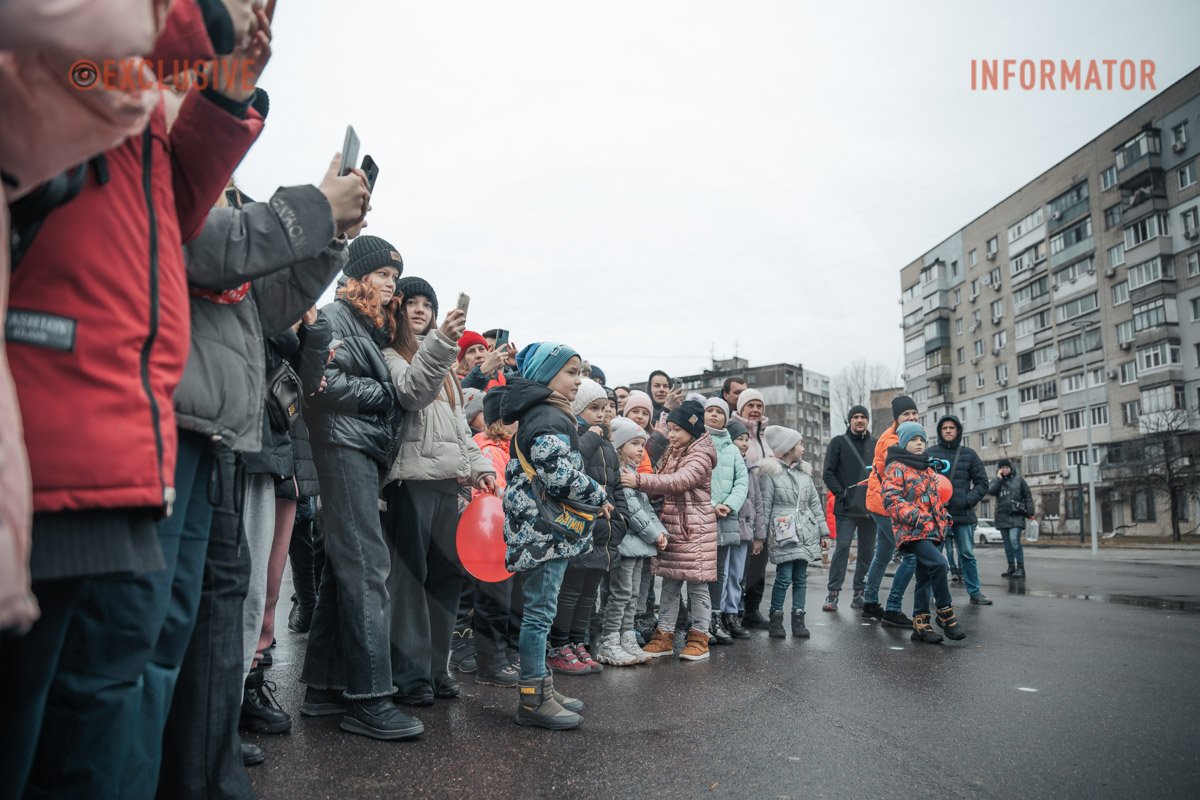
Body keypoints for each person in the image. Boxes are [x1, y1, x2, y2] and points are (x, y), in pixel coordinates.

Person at [11, 9, 270, 795]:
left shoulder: (138, 80)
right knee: (48, 702)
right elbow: (83, 76)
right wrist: (201, 30)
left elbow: (175, 211)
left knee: (103, 683)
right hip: (54, 403)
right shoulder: (95, 58)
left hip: (119, 416)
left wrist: (226, 95)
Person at [301, 236, 419, 741]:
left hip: (359, 450)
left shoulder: (370, 324)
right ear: (357, 276)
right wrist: (386, 393)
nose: (390, 283)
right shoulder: (334, 317)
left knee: (343, 566)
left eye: (395, 275)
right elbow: (322, 384)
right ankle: (370, 699)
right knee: (369, 566)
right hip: (341, 448)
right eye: (382, 274)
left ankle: (324, 688)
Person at [383, 276, 493, 707]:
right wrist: (442, 345)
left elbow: (461, 433)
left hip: (448, 485)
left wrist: (481, 468)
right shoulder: (391, 355)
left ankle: (436, 667)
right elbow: (411, 392)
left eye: (427, 303)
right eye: (411, 302)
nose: (420, 310)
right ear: (398, 309)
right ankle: (410, 676)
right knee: (410, 584)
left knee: (446, 580)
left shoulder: (444, 367)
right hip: (409, 484)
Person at [501, 342, 610, 730]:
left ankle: (543, 686)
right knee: (539, 615)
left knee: (541, 614)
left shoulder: (546, 412)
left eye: (580, 373)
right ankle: (532, 699)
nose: (579, 381)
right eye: (571, 372)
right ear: (547, 375)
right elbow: (557, 474)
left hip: (542, 532)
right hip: (544, 533)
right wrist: (598, 494)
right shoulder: (548, 416)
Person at [621, 400, 718, 662]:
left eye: (677, 429)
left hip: (694, 528)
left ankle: (699, 637)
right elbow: (661, 476)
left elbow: (679, 481)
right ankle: (664, 635)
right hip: (674, 525)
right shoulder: (676, 450)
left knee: (697, 586)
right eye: (670, 429)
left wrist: (638, 480)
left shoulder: (700, 455)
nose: (671, 435)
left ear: (692, 429)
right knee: (670, 584)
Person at [550, 380, 628, 670]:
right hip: (581, 526)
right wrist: (592, 436)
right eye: (593, 408)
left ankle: (578, 642)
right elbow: (571, 467)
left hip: (605, 532)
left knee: (589, 594)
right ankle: (559, 645)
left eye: (605, 408)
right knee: (570, 591)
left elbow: (616, 487)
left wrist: (622, 518)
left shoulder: (607, 445)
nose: (601, 414)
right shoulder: (572, 436)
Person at [881, 422, 966, 644]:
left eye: (922, 440)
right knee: (939, 565)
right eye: (913, 440)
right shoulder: (896, 467)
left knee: (925, 577)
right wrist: (916, 516)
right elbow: (890, 499)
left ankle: (921, 624)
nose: (919, 444)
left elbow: (935, 500)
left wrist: (944, 518)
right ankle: (946, 614)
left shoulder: (926, 468)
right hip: (912, 532)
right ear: (903, 442)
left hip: (931, 530)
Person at [603, 417, 667, 665]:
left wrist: (661, 532)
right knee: (620, 594)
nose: (642, 449)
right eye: (635, 444)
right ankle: (609, 639)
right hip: (627, 545)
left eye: (643, 444)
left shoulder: (632, 474)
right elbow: (632, 511)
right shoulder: (620, 475)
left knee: (632, 596)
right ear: (619, 447)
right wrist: (655, 534)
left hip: (639, 545)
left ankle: (626, 635)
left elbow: (647, 509)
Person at [469, 388, 522, 687]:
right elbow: (492, 496)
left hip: (507, 538)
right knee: (493, 604)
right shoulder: (490, 452)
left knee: (507, 602)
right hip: (493, 540)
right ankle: (490, 664)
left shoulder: (506, 450)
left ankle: (504, 657)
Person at [759, 426, 827, 639]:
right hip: (783, 533)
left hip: (805, 531)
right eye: (799, 445)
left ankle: (798, 618)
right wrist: (761, 536)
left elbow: (815, 504)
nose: (803, 448)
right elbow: (765, 506)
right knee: (784, 577)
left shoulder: (805, 475)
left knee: (801, 577)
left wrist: (823, 532)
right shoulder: (771, 475)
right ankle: (776, 619)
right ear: (787, 449)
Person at [860, 396, 921, 628]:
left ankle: (870, 602)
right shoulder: (890, 441)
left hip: (885, 504)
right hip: (886, 505)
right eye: (906, 414)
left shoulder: (909, 435)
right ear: (897, 417)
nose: (911, 417)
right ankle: (893, 608)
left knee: (883, 554)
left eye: (914, 413)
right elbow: (899, 469)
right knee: (911, 555)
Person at [925, 415, 993, 606]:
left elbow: (982, 482)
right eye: (944, 428)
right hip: (936, 516)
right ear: (939, 431)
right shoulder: (930, 453)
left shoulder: (969, 454)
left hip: (963, 515)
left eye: (952, 428)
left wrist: (967, 500)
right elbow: (920, 481)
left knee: (967, 555)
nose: (948, 431)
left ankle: (975, 592)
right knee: (934, 557)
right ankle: (930, 593)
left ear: (958, 431)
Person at [821, 405, 877, 611]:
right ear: (849, 421)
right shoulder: (838, 442)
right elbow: (828, 473)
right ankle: (833, 594)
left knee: (866, 553)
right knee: (842, 548)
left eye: (863, 417)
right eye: (856, 417)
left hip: (870, 508)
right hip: (846, 508)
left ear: (867, 420)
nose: (860, 420)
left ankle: (859, 593)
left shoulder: (875, 444)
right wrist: (841, 493)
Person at [704, 398, 748, 645]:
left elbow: (742, 482)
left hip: (726, 518)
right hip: (703, 516)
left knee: (719, 572)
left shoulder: (732, 450)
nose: (713, 415)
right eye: (709, 411)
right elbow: (696, 479)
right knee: (701, 572)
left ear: (726, 418)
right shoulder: (698, 444)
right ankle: (699, 622)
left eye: (718, 412)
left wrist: (729, 505)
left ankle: (715, 620)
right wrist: (710, 506)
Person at [733, 388, 771, 627]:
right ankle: (734, 610)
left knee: (760, 561)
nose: (755, 410)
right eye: (750, 406)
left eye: (759, 406)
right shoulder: (735, 431)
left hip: (764, 507)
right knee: (740, 565)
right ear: (741, 409)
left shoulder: (766, 435)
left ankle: (752, 609)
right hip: (743, 507)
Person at [989, 459, 1033, 579]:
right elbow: (991, 491)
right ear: (999, 470)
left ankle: (1020, 568)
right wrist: (998, 478)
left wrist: (1030, 512)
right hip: (1002, 517)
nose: (1005, 469)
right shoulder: (997, 481)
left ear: (1011, 468)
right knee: (1007, 544)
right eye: (1002, 468)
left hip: (1016, 515)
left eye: (1007, 467)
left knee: (1014, 541)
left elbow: (1028, 495)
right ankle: (1011, 567)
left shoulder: (1019, 480)